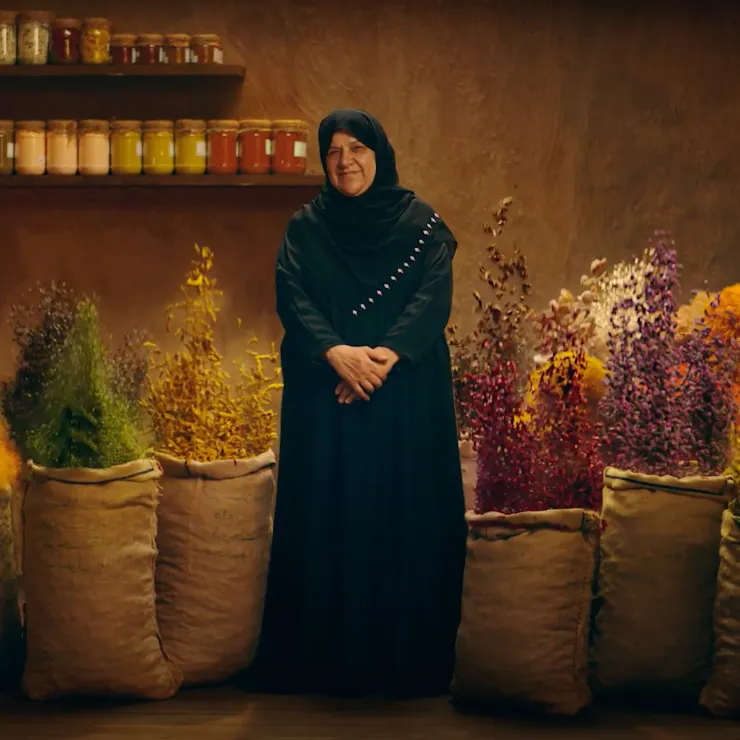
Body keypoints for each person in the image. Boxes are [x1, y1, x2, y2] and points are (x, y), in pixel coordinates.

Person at [256, 109, 466, 698]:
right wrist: (334, 353)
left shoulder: (422, 225)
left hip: (403, 401)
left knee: (401, 515)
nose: (344, 160)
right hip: (328, 405)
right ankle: (326, 662)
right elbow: (291, 295)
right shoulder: (306, 228)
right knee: (333, 514)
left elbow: (432, 298)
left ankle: (407, 662)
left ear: (381, 152)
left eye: (356, 148)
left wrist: (381, 358)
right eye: (332, 151)